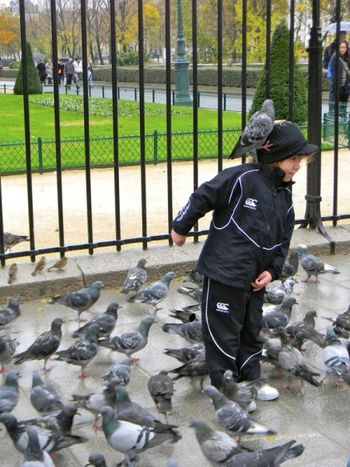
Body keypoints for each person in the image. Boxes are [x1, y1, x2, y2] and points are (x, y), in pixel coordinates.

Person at [171, 119, 318, 401]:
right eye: (294, 159)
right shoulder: (241, 177)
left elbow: (283, 237)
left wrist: (273, 271)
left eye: (301, 159)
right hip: (224, 271)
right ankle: (226, 388)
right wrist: (180, 227)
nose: (298, 165)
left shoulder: (284, 192)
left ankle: (250, 381)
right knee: (223, 333)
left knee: (251, 330)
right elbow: (203, 196)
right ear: (274, 157)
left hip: (256, 278)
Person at [328, 40, 350, 115]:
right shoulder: (334, 58)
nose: (343, 49)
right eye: (341, 47)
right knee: (334, 110)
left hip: (345, 88)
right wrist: (335, 86)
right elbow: (332, 73)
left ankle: (342, 123)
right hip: (336, 87)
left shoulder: (347, 58)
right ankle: (332, 123)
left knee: (343, 109)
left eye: (345, 47)